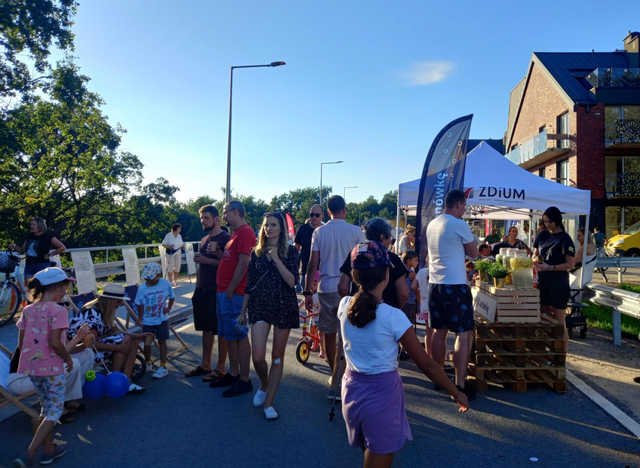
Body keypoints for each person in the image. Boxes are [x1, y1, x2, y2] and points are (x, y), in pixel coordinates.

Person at [338, 241, 468, 468]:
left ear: (354, 275)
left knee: (368, 452)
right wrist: (455, 391)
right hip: (381, 394)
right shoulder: (392, 317)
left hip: (351, 390)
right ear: (386, 275)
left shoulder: (344, 305)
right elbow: (427, 365)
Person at [12, 267, 75, 466]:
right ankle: (28, 454)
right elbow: (56, 343)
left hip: (32, 367)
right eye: (65, 287)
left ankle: (49, 449)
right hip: (52, 368)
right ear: (56, 287)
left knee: (46, 407)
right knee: (54, 412)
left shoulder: (28, 309)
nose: (65, 291)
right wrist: (68, 359)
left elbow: (21, 343)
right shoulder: (59, 311)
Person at [304, 195, 365, 392]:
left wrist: (307, 290)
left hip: (326, 288)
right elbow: (364, 260)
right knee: (348, 335)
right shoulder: (357, 232)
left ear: (328, 211)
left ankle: (335, 374)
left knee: (328, 334)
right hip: (351, 289)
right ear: (344, 210)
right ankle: (346, 374)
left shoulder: (320, 232)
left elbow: (313, 264)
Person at [243, 213, 299, 420]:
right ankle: (265, 384)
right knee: (258, 357)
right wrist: (242, 311)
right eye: (266, 225)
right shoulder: (255, 253)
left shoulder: (292, 252)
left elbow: (292, 281)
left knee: (277, 357)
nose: (269, 229)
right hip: (259, 305)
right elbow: (250, 284)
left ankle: (269, 403)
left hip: (284, 305)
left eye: (273, 225)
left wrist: (276, 258)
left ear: (281, 228)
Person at [426, 189, 478, 397]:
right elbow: (474, 253)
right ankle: (459, 383)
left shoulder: (432, 224)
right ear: (457, 204)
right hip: (455, 284)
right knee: (463, 334)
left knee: (439, 332)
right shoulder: (459, 224)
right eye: (464, 205)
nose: (465, 209)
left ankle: (439, 378)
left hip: (435, 284)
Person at [212, 200, 256, 397]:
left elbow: (244, 262)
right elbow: (231, 259)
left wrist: (231, 288)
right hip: (225, 291)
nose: (224, 216)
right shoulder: (235, 234)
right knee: (230, 335)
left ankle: (244, 379)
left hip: (234, 293)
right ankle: (234, 373)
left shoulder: (245, 232)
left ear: (236, 212)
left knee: (239, 334)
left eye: (225, 212)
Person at [68, 284, 146, 393]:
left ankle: (123, 380)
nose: (120, 305)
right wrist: (117, 348)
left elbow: (115, 330)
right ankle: (119, 381)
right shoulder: (93, 314)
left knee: (130, 340)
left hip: (93, 345)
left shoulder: (104, 310)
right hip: (82, 350)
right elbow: (91, 344)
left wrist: (136, 336)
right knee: (124, 344)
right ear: (111, 301)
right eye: (118, 302)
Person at [186, 205, 231, 382]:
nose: (203, 221)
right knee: (206, 328)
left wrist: (209, 259)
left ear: (217, 219)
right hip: (203, 289)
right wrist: (197, 288)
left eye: (206, 218)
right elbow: (201, 265)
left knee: (220, 330)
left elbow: (230, 264)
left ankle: (221, 367)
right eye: (202, 218)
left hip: (217, 290)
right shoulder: (204, 239)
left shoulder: (225, 238)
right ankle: (205, 364)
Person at [338, 218, 409, 310]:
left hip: (357, 311)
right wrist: (395, 310)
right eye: (389, 237)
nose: (390, 242)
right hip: (387, 313)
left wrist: (349, 306)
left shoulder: (355, 253)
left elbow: (342, 287)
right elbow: (404, 293)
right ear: (382, 237)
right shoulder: (393, 259)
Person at [533, 207, 575, 353]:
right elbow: (535, 253)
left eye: (549, 222)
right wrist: (535, 260)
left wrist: (550, 267)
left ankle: (561, 356)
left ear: (557, 221)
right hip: (543, 282)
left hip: (559, 284)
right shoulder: (542, 234)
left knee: (559, 320)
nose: (547, 225)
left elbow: (570, 264)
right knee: (543, 317)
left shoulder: (565, 239)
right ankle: (545, 353)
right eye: (544, 222)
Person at [135, 263, 175, 379]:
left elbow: (172, 297)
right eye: (146, 277)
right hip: (148, 321)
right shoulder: (142, 288)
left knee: (162, 341)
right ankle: (148, 362)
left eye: (151, 277)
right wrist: (140, 318)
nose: (148, 280)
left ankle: (163, 366)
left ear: (158, 275)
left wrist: (169, 308)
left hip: (162, 319)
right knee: (147, 343)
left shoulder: (165, 284)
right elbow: (140, 304)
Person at [294, 205, 323, 290]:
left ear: (322, 215)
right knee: (308, 297)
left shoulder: (325, 230)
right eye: (311, 215)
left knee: (320, 300)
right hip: (306, 270)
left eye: (317, 215)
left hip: (323, 271)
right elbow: (296, 249)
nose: (314, 217)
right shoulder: (303, 228)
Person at [412, 263, 432, 355]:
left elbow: (413, 286)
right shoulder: (439, 271)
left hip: (423, 304)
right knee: (439, 332)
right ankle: (437, 357)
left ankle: (429, 354)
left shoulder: (421, 271)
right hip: (436, 304)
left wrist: (418, 296)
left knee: (428, 331)